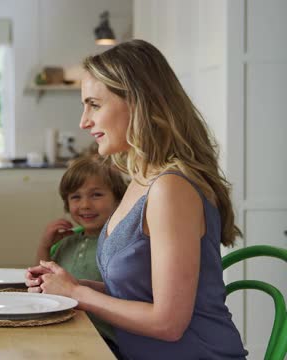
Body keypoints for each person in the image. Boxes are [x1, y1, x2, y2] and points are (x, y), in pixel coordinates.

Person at [26, 39, 247, 359]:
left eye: (94, 104)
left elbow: (168, 322)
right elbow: (137, 294)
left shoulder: (172, 188)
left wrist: (76, 294)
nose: (84, 121)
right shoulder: (141, 181)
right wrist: (72, 285)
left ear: (137, 103)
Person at [34, 154, 126, 351]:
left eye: (96, 195)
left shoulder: (121, 243)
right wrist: (44, 246)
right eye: (76, 197)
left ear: (118, 200)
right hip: (62, 334)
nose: (85, 205)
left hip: (104, 341)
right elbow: (41, 283)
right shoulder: (66, 243)